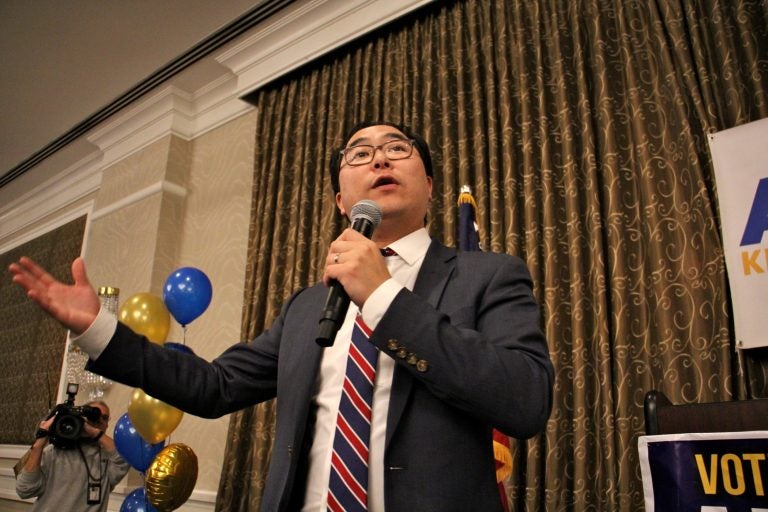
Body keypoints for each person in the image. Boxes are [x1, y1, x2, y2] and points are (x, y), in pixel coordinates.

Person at [10, 121, 554, 511]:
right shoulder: (306, 306)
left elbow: (525, 399)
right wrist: (97, 328)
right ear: (342, 200)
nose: (381, 158)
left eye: (397, 148)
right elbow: (213, 386)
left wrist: (384, 297)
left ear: (430, 186)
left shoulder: (490, 274)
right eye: (359, 154)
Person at [15, 399, 130, 511]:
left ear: (107, 425)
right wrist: (38, 445)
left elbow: (125, 458)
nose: (99, 419)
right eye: (93, 414)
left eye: (104, 418)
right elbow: (25, 490)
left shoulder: (107, 458)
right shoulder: (53, 452)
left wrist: (94, 432)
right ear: (81, 417)